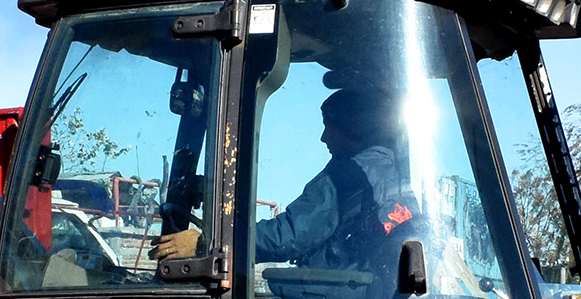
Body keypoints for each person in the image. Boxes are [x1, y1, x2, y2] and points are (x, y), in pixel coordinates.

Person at [156, 83, 411, 271]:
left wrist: (207, 244)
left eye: (329, 127)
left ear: (353, 127)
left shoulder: (348, 175)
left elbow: (289, 235)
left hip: (337, 297)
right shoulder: (390, 172)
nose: (324, 137)